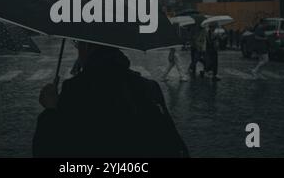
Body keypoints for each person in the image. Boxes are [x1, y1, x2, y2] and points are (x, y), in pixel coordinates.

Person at [33, 42, 189, 158]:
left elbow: (49, 150)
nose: (77, 49)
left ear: (87, 46)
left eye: (77, 44)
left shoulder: (75, 90)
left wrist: (50, 110)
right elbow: (172, 145)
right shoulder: (149, 87)